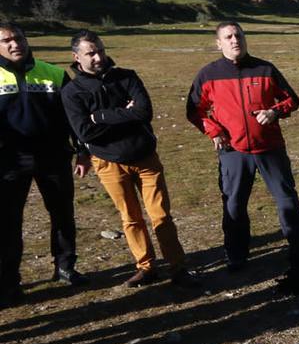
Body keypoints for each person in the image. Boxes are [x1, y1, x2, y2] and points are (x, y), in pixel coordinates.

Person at [61, 30, 199, 289]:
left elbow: (144, 111)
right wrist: (124, 114)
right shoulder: (72, 92)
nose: (98, 57)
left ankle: (178, 267)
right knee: (130, 217)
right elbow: (84, 131)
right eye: (90, 53)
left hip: (145, 157)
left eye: (100, 50)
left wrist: (99, 116)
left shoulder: (126, 77)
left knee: (161, 215)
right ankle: (146, 267)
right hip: (108, 162)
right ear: (76, 56)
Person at [187, 21, 299, 278]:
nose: (235, 41)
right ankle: (236, 254)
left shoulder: (265, 69)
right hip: (233, 150)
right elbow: (194, 110)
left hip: (270, 147)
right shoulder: (208, 74)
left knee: (287, 200)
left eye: (239, 35)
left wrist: (274, 112)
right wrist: (214, 131)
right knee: (234, 204)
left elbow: (292, 100)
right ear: (218, 43)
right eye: (229, 37)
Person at [0, 20, 88, 303]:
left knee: (62, 214)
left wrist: (82, 150)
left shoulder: (52, 74)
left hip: (53, 158)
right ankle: (9, 281)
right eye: (7, 40)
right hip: (9, 163)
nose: (16, 44)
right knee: (8, 223)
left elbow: (74, 117)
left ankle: (65, 266)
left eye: (19, 38)